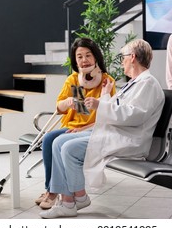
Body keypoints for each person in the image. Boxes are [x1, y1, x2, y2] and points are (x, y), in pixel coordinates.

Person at [39, 39, 165, 219]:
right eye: (79, 57)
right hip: (116, 133)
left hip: (128, 139)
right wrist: (105, 97)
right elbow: (116, 109)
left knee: (67, 147)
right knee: (57, 141)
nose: (121, 61)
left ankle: (75, 198)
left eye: (123, 57)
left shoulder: (147, 84)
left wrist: (100, 104)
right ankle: (70, 200)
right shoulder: (135, 83)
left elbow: (134, 116)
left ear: (133, 57)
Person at [35, 37, 116, 209]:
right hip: (72, 126)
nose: (84, 60)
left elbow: (109, 114)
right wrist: (68, 102)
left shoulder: (106, 81)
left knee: (55, 142)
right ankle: (51, 189)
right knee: (49, 138)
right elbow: (59, 106)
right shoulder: (73, 80)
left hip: (92, 129)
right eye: (79, 56)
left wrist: (83, 128)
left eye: (88, 55)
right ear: (75, 60)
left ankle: (54, 192)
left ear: (96, 58)